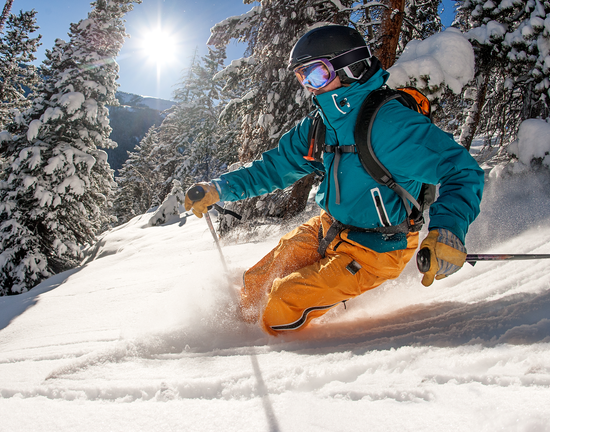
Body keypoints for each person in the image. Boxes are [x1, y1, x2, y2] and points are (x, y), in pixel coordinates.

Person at [184, 25, 484, 336]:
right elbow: (274, 168)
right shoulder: (321, 124)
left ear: (349, 67)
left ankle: (274, 360)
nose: (310, 87)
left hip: (378, 248)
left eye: (316, 75)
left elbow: (461, 170)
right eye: (302, 78)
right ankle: (233, 337)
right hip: (329, 228)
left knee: (280, 305)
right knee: (254, 285)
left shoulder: (390, 125)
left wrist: (448, 230)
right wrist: (219, 189)